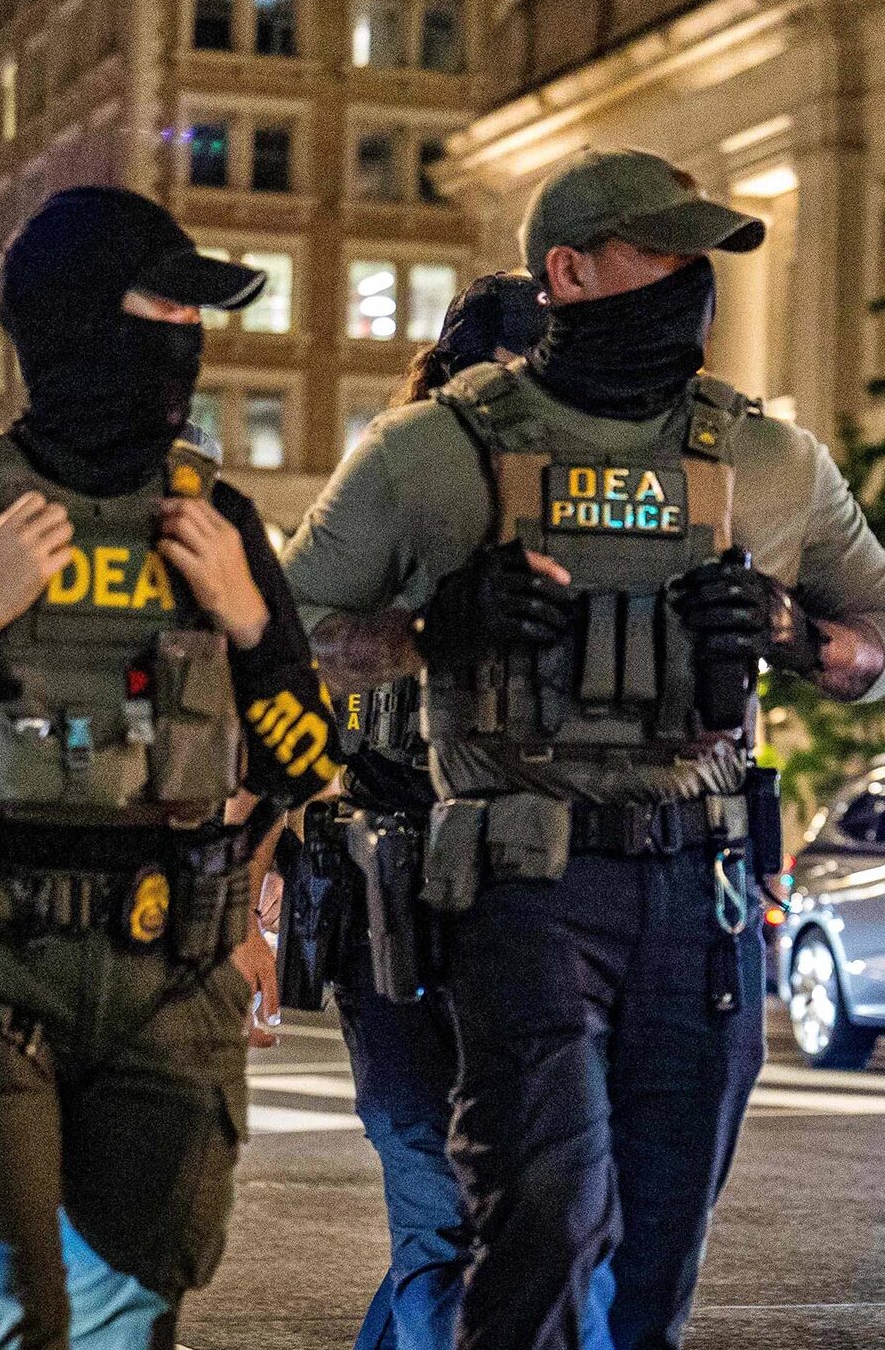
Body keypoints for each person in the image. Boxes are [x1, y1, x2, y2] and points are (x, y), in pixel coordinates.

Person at [282, 148, 885, 1350]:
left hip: (701, 893)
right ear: (567, 270)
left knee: (656, 1250)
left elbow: (876, 640)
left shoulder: (770, 460)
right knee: (543, 1216)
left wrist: (796, 636)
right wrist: (425, 632)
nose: (691, 282)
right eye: (662, 254)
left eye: (698, 258)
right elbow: (276, 641)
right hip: (518, 884)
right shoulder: (429, 452)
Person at [0, 185, 339, 1350]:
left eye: (197, 317)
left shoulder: (218, 521)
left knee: (132, 1313)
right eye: (161, 306)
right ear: (76, 318)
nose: (183, 340)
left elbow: (306, 759)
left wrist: (249, 627)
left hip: (167, 986)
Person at [301, 273, 554, 1350]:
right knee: (438, 1208)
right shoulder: (396, 483)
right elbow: (289, 650)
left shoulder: (580, 495)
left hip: (536, 893)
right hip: (392, 899)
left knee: (509, 1219)